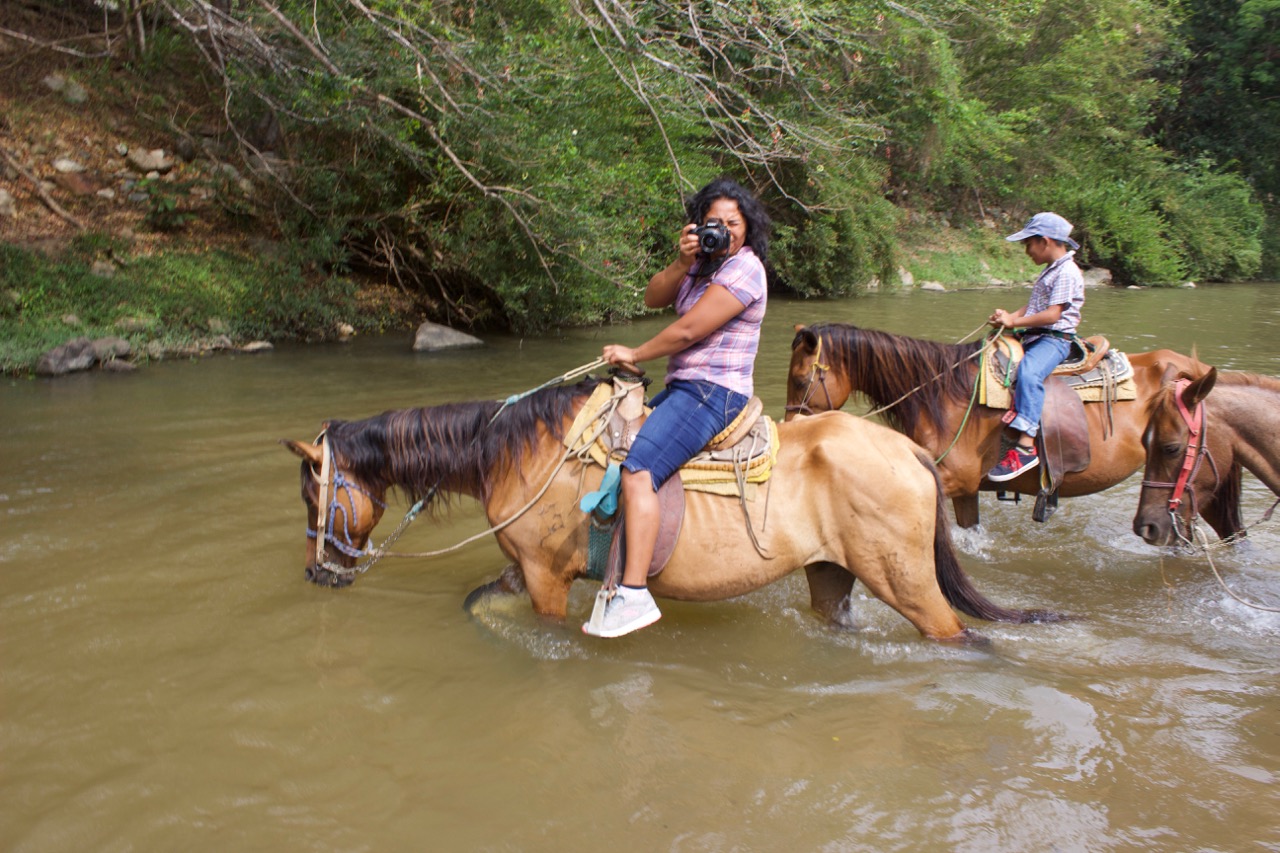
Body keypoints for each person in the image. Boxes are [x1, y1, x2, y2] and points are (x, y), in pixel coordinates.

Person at [582, 178, 771, 638]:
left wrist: (635, 353)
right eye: (714, 223)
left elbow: (688, 332)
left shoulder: (745, 270)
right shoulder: (701, 264)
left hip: (713, 392)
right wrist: (682, 260)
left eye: (733, 223)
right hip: (685, 386)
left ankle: (632, 595)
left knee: (640, 469)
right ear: (697, 225)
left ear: (747, 228)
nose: (724, 232)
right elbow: (653, 297)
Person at [986, 211, 1086, 483]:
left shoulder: (1066, 271)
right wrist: (1009, 319)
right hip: (1035, 335)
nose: (1027, 251)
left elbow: (1053, 315)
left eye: (1028, 244)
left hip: (1053, 340)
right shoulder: (1051, 271)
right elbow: (1033, 307)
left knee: (1029, 372)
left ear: (1044, 241)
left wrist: (1014, 322)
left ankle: (1026, 446)